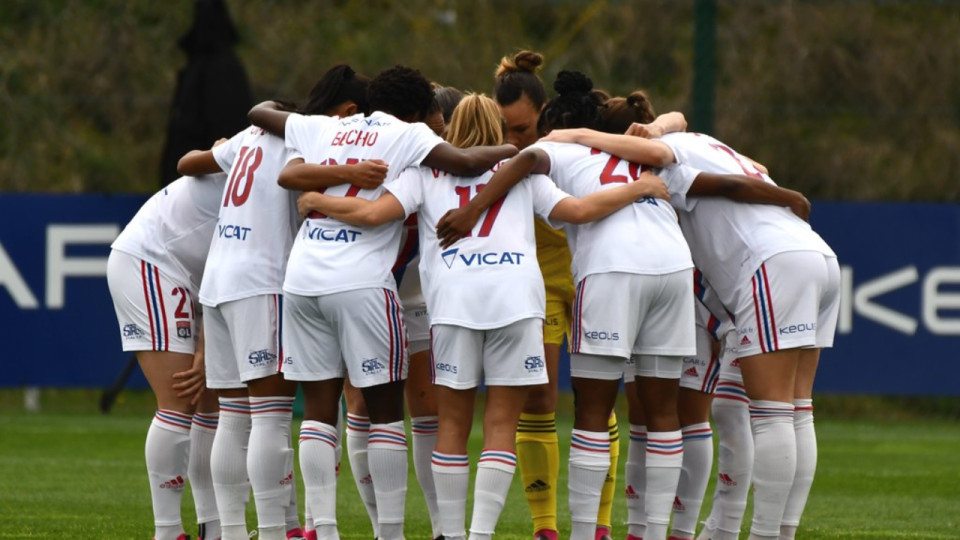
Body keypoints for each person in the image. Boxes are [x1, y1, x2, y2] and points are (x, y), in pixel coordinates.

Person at [295, 93, 670, 540]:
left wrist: (318, 201)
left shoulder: (424, 172)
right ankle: (480, 535)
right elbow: (580, 211)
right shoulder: (521, 174)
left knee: (452, 424)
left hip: (454, 305)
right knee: (499, 427)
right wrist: (640, 188)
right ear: (497, 128)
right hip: (515, 303)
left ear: (451, 129)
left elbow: (374, 213)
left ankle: (451, 535)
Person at [542, 100, 836, 540]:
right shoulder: (705, 140)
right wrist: (787, 196)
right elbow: (735, 161)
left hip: (765, 262)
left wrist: (577, 136)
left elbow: (690, 168)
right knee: (794, 410)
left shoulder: (662, 156)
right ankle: (758, 529)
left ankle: (761, 534)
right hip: (817, 254)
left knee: (770, 414)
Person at [247, 65, 517, 540]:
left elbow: (259, 112)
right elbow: (470, 164)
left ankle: (323, 529)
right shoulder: (408, 134)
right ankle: (390, 532)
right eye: (432, 115)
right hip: (361, 281)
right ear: (415, 112)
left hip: (304, 277)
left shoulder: (326, 126)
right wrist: (518, 150)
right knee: (386, 411)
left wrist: (331, 168)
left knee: (318, 409)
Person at [177, 64, 383, 540]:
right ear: (348, 112)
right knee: (270, 417)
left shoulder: (252, 135)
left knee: (233, 416)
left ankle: (231, 531)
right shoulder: (310, 142)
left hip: (219, 281)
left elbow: (188, 164)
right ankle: (272, 530)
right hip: (262, 282)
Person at [493, 50, 620, 540]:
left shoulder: (573, 143)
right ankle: (545, 528)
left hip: (591, 273)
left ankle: (601, 524)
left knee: (597, 399)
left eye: (521, 130)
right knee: (539, 397)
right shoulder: (493, 152)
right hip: (539, 279)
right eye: (503, 128)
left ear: (544, 118)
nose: (511, 141)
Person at [107, 166, 227, 540]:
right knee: (179, 398)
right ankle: (168, 531)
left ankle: (214, 526)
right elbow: (225, 268)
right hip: (155, 261)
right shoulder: (278, 167)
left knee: (209, 400)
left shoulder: (262, 154)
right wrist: (205, 350)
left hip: (185, 269)